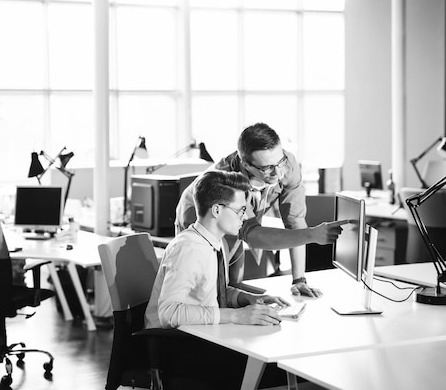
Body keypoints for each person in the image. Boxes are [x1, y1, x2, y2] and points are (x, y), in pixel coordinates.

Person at [144, 170, 291, 389]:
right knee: (275, 372)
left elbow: (211, 291)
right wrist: (236, 316)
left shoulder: (213, 241)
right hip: (177, 347)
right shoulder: (189, 249)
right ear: (216, 210)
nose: (245, 216)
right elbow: (169, 313)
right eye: (241, 209)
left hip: (203, 336)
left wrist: (247, 299)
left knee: (273, 363)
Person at [176, 122, 346, 297]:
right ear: (246, 164)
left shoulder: (287, 165)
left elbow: (295, 221)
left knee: (234, 287)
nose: (278, 173)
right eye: (267, 168)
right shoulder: (226, 182)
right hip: (203, 221)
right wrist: (312, 235)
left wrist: (299, 280)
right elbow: (252, 235)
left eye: (280, 161)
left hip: (239, 224)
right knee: (210, 292)